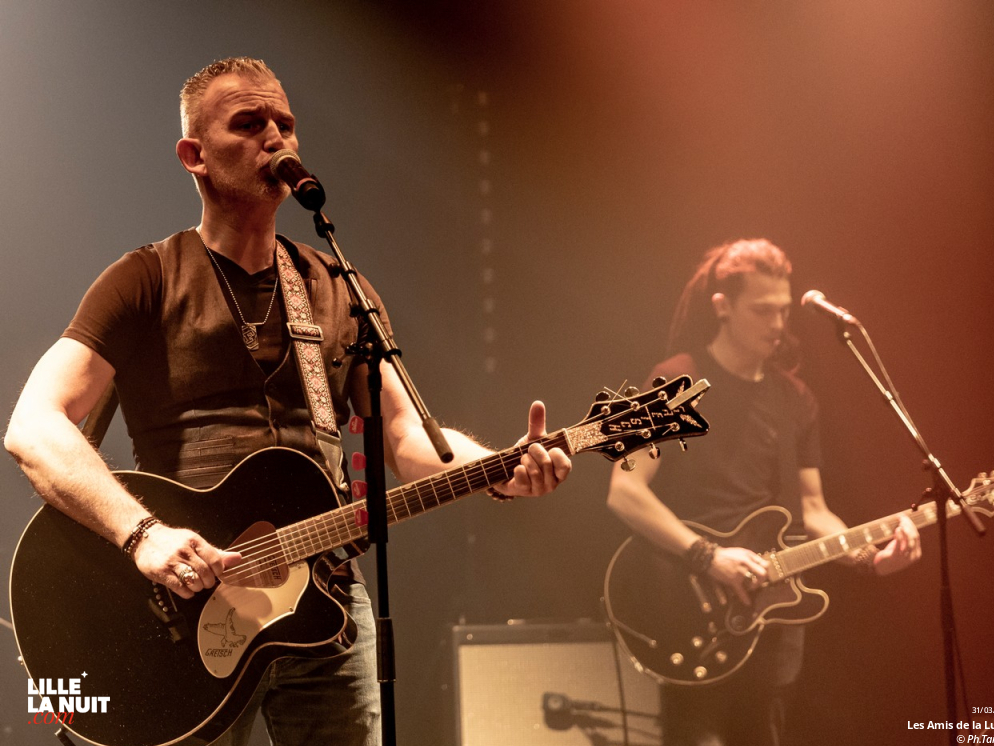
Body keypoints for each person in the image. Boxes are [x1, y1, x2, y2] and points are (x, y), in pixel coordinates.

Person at [4, 57, 571, 745]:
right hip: (184, 605)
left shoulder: (335, 284)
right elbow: (33, 425)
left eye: (285, 123)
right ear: (195, 155)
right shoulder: (145, 279)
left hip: (323, 599)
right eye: (248, 124)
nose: (276, 138)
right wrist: (143, 535)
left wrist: (500, 467)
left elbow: (405, 434)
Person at [605, 238, 920, 746]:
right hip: (690, 606)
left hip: (773, 618)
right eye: (762, 311)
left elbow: (815, 511)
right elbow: (624, 491)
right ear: (722, 307)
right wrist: (709, 557)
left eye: (782, 311)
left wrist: (871, 559)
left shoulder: (795, 398)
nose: (777, 324)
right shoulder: (673, 380)